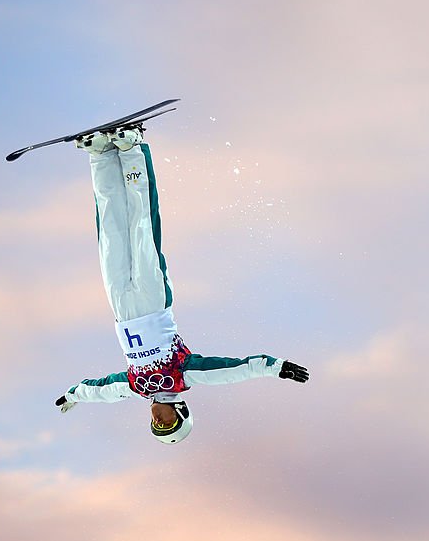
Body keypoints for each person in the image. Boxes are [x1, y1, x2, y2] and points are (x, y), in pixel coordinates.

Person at [54, 125, 309, 444]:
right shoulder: (183, 375)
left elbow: (102, 390)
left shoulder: (136, 386)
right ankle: (131, 148)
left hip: (121, 308)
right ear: (182, 413)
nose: (158, 420)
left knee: (110, 235)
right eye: (168, 423)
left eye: (157, 427)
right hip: (153, 303)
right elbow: (234, 370)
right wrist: (277, 368)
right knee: (141, 229)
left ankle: (101, 155)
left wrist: (74, 395)